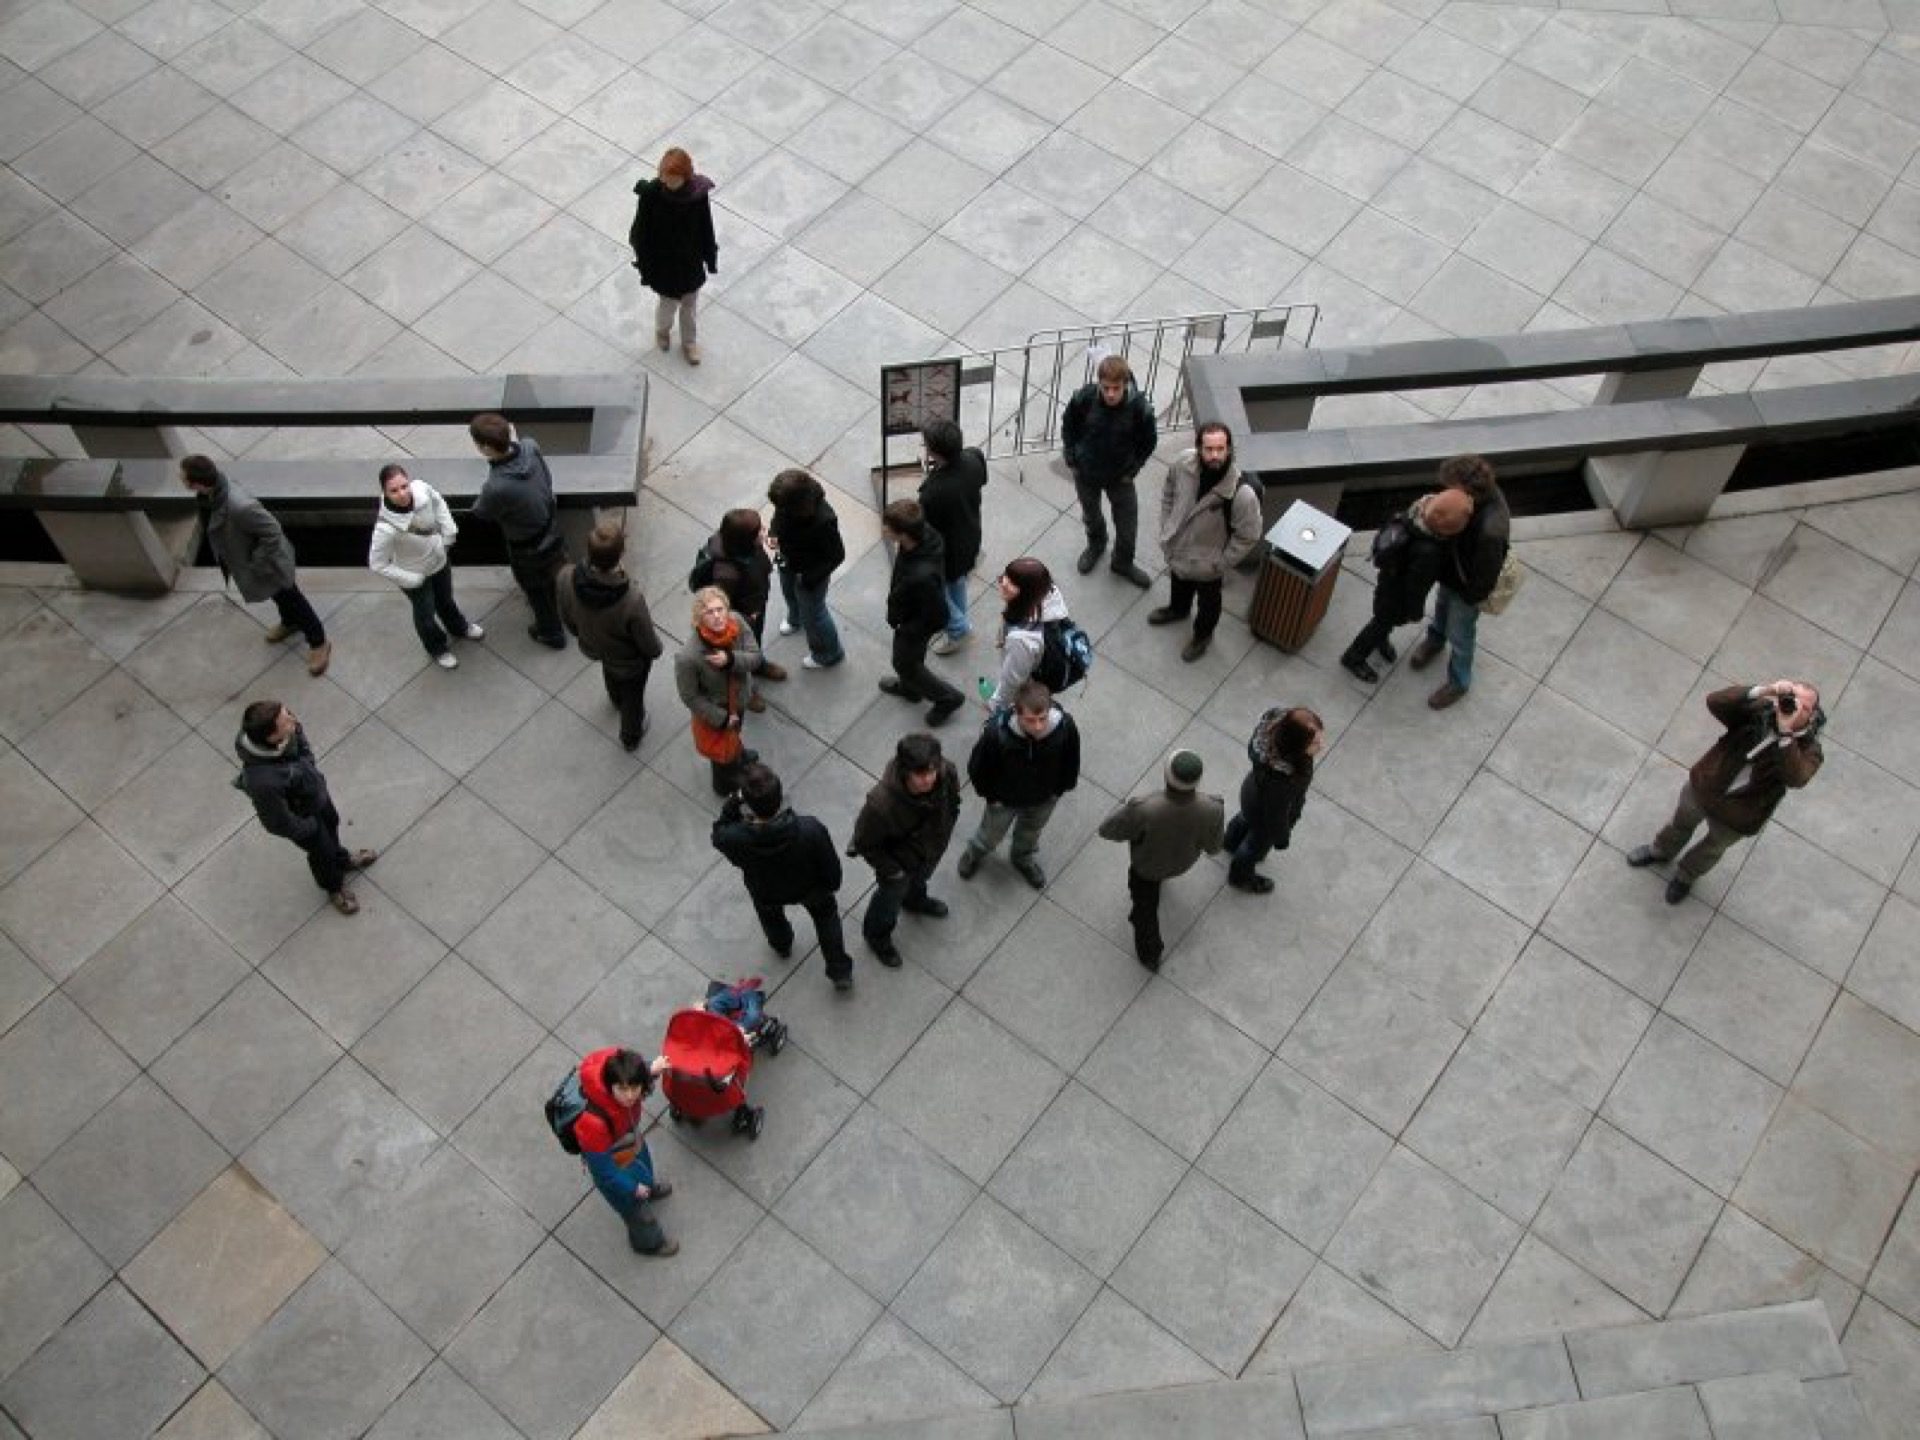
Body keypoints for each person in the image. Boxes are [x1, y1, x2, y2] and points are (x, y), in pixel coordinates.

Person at [1628, 680, 1825, 904]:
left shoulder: (1810, 750)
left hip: (1740, 814)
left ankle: (1686, 876)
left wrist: (1786, 735)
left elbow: (1795, 778)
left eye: (1804, 707)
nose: (1794, 706)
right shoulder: (1759, 712)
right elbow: (1715, 702)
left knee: (1712, 847)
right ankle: (1660, 851)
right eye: (1792, 698)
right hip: (1706, 787)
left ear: (1812, 717)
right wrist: (1765, 690)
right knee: (1679, 822)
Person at [181, 455, 331, 676]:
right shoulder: (212, 494)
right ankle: (290, 622)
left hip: (270, 565)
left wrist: (257, 564)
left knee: (292, 597)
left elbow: (272, 531)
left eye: (183, 477)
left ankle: (318, 641)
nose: (180, 479)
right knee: (279, 596)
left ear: (197, 483)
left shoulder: (239, 506)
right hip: (256, 562)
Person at [712, 762, 855, 992]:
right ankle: (840, 971)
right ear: (780, 797)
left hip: (766, 889)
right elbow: (830, 868)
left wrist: (734, 800)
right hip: (812, 890)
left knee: (771, 918)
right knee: (827, 918)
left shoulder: (736, 838)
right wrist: (830, 886)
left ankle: (782, 945)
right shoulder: (810, 829)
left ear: (748, 806)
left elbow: (718, 833)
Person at [233, 699, 375, 915]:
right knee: (321, 852)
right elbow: (276, 822)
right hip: (303, 816)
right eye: (285, 720)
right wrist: (309, 828)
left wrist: (308, 764)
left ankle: (342, 860)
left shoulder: (286, 731)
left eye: (287, 712)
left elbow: (301, 742)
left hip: (316, 796)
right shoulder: (263, 782)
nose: (294, 719)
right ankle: (334, 886)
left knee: (332, 826)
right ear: (271, 737)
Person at [1098, 750, 1225, 971]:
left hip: (1146, 868)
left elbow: (1108, 830)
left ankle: (1150, 953)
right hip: (1182, 863)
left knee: (1145, 912)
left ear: (1166, 776)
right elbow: (1214, 847)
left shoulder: (1144, 808)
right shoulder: (1213, 808)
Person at [1149, 422, 1262, 663]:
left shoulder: (1242, 494)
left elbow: (1249, 535)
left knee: (1209, 603)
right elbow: (1169, 491)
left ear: (1229, 449)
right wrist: (1167, 525)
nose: (1215, 455)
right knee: (1178, 583)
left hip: (1208, 565)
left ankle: (1202, 635)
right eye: (1209, 449)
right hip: (1179, 550)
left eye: (1220, 449)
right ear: (1199, 448)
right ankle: (1178, 610)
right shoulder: (1182, 464)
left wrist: (1220, 563)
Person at [1339, 488, 1474, 683]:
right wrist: (1415, 612)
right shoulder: (1429, 552)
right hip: (1398, 595)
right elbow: (1416, 587)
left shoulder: (1415, 513)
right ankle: (1354, 657)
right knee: (1380, 623)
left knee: (1382, 621)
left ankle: (1381, 640)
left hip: (1388, 580)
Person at [851, 732, 962, 966]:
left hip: (930, 850)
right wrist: (893, 872)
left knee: (919, 881)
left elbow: (953, 798)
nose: (929, 779)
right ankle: (877, 936)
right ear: (904, 770)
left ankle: (914, 900)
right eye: (920, 774)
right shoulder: (881, 805)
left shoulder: (946, 770)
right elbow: (864, 843)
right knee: (888, 902)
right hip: (899, 864)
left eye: (932, 770)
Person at [1409, 454, 1509, 710]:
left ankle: (1459, 682)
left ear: (1466, 489)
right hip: (1453, 572)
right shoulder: (1472, 499)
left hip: (1468, 587)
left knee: (1461, 633)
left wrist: (1469, 598)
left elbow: (1485, 576)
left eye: (1451, 487)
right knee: (1442, 608)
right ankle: (1435, 640)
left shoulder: (1490, 529)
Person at [959, 679, 1080, 889]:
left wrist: (1059, 790)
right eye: (1031, 720)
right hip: (1005, 800)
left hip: (1044, 797)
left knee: (1031, 832)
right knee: (990, 834)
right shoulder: (996, 734)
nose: (1038, 726)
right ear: (1016, 712)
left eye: (1042, 718)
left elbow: (1071, 759)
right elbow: (978, 768)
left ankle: (1022, 858)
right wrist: (992, 797)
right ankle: (975, 852)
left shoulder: (1064, 727)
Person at [557, 521, 663, 751]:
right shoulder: (631, 599)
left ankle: (615, 699)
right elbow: (649, 644)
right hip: (629, 661)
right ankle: (630, 735)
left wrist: (584, 634)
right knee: (633, 698)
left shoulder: (566, 577)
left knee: (610, 671)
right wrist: (653, 651)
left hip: (595, 648)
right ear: (621, 554)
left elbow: (567, 617)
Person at [367, 463, 483, 670]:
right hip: (415, 575)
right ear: (384, 492)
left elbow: (438, 502)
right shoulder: (384, 529)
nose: (402, 494)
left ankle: (459, 627)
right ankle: (437, 648)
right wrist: (411, 579)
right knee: (425, 615)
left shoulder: (421, 488)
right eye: (394, 490)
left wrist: (449, 531)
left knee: (446, 600)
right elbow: (377, 563)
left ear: (409, 481)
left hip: (439, 561)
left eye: (404, 486)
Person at [469, 412, 567, 649]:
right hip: (551, 527)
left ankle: (551, 633)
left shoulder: (497, 487)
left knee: (536, 592)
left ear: (485, 448)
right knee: (555, 575)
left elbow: (481, 512)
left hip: (528, 547)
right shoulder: (530, 447)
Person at [571, 1047, 678, 1257]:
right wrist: (632, 1188)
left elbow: (635, 1072)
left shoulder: (619, 1067)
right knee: (636, 1212)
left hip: (627, 1138)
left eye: (635, 1088)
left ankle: (648, 1187)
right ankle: (648, 1243)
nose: (630, 1096)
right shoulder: (592, 1123)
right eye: (622, 1089)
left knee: (644, 1164)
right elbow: (604, 1172)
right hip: (614, 1160)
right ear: (610, 1086)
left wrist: (651, 1070)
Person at [1061, 354, 1157, 586]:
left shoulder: (1140, 409)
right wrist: (1072, 458)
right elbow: (1069, 427)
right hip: (1087, 472)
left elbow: (1149, 442)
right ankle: (1096, 544)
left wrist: (1133, 469)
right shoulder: (1084, 398)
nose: (1111, 393)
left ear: (1126, 383)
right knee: (1091, 514)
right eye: (1106, 388)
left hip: (1120, 476)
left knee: (1127, 524)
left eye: (1116, 388)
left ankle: (1123, 562)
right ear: (1099, 383)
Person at [878, 498, 965, 726]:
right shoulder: (924, 535)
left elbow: (937, 615)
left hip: (914, 623)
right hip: (911, 614)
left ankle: (948, 698)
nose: (883, 528)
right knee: (910, 661)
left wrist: (905, 627)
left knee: (904, 663)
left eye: (887, 525)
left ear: (904, 534)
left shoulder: (922, 576)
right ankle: (910, 689)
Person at [629, 145, 717, 366]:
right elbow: (641, 232)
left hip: (689, 262)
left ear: (685, 176)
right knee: (667, 305)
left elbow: (706, 228)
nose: (667, 183)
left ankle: (689, 343)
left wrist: (710, 257)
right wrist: (646, 265)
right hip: (664, 264)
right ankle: (662, 331)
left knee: (689, 307)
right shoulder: (652, 195)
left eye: (672, 178)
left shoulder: (697, 196)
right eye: (664, 177)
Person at [692, 507, 786, 711]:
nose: (764, 531)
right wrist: (747, 618)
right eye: (758, 531)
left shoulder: (746, 547)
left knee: (754, 645)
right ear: (745, 540)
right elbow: (722, 610)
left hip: (755, 609)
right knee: (740, 657)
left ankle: (759, 665)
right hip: (741, 621)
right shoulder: (725, 575)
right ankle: (746, 692)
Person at [1224, 706, 1322, 894]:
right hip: (1264, 815)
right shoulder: (1282, 782)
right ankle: (1240, 876)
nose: (1321, 745)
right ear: (1296, 746)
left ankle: (1230, 841)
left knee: (1244, 818)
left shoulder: (1271, 739)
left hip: (1251, 793)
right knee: (1254, 846)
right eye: (1315, 742)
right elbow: (1276, 816)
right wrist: (1281, 838)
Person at [675, 586, 760, 795]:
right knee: (721, 755)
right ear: (699, 618)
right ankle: (724, 785)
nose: (717, 616)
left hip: (739, 700)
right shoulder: (688, 656)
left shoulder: (737, 622)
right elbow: (690, 696)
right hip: (719, 710)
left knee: (735, 733)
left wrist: (731, 660)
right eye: (709, 612)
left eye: (720, 609)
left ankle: (738, 753)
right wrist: (721, 718)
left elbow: (755, 657)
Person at [918, 418, 988, 656]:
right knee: (956, 583)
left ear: (933, 451)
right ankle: (958, 623)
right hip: (970, 539)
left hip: (946, 552)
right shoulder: (974, 458)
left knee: (936, 591)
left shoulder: (933, 492)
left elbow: (925, 529)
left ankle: (958, 628)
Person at [767, 468, 846, 669]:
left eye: (782, 506)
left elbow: (836, 555)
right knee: (789, 593)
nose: (779, 509)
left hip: (810, 573)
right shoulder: (786, 504)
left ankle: (829, 653)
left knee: (815, 613)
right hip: (789, 561)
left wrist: (809, 578)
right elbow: (777, 519)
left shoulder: (824, 520)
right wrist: (774, 533)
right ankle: (795, 619)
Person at [986, 556, 1069, 710]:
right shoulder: (1049, 592)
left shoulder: (1022, 639)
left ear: (1028, 592)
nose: (1003, 583)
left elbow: (1013, 681)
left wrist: (996, 705)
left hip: (1031, 678)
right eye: (1006, 576)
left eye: (1013, 583)